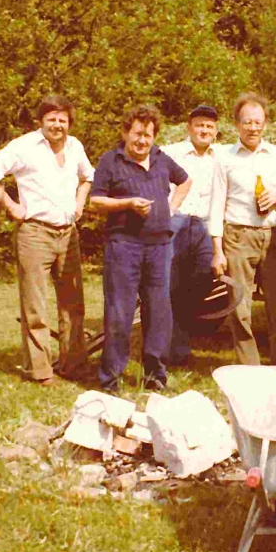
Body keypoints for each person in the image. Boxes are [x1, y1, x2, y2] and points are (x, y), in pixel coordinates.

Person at [0, 95, 93, 385]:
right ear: (40, 121)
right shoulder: (24, 147)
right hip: (34, 233)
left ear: (69, 123)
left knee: (73, 305)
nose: (57, 125)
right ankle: (40, 370)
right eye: (52, 119)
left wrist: (79, 203)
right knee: (35, 306)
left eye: (63, 120)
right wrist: (11, 206)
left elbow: (87, 177)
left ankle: (73, 365)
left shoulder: (75, 147)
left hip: (68, 234)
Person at [88, 104, 192, 392]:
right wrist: (128, 203)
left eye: (148, 135)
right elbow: (95, 202)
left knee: (158, 313)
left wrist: (171, 208)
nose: (142, 141)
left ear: (154, 136)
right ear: (125, 133)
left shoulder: (160, 158)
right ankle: (111, 378)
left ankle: (155, 375)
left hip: (160, 246)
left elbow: (185, 181)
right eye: (137, 134)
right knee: (119, 313)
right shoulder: (111, 160)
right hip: (124, 246)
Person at [209, 93, 276, 365]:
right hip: (238, 237)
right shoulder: (225, 158)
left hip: (274, 237)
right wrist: (217, 251)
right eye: (247, 122)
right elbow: (216, 205)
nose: (253, 128)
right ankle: (250, 367)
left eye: (258, 122)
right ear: (237, 124)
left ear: (265, 124)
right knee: (239, 306)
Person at [161, 105, 222, 365]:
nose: (204, 130)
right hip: (175, 222)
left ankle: (180, 332)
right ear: (189, 128)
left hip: (203, 226)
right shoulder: (170, 152)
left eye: (209, 126)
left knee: (202, 279)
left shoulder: (221, 157)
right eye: (199, 125)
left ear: (216, 131)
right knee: (168, 283)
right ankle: (170, 348)